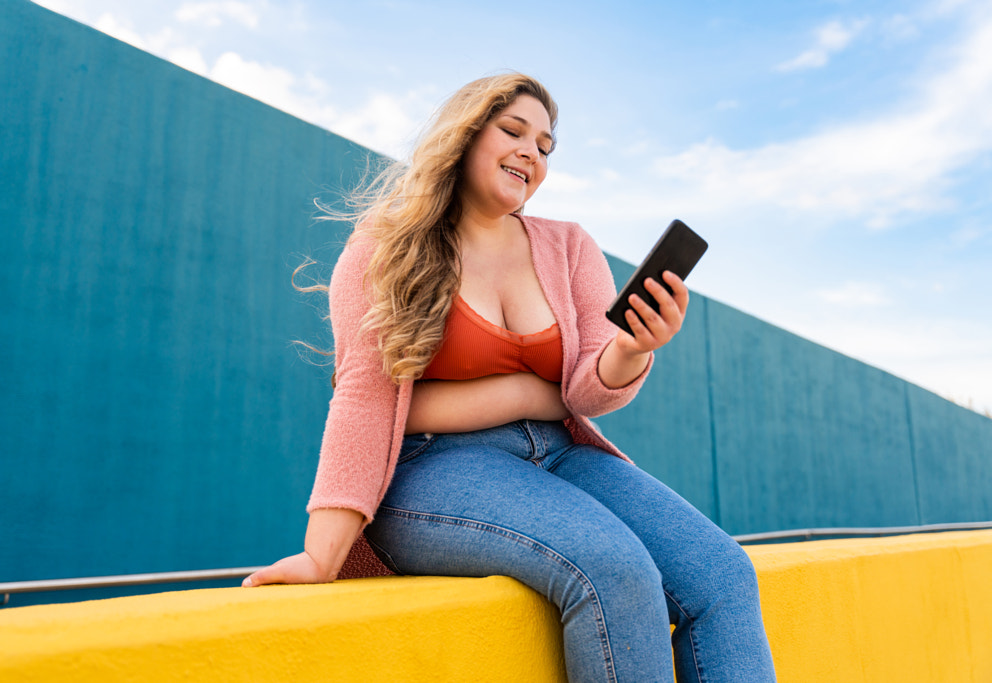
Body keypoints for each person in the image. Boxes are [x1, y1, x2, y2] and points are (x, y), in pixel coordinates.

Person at [243, 73, 776, 683]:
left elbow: (586, 391)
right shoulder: (386, 247)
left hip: (560, 457)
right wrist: (322, 553)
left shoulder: (570, 247)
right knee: (615, 568)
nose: (533, 152)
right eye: (514, 131)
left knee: (724, 575)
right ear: (466, 135)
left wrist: (633, 348)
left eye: (546, 147)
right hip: (431, 469)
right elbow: (367, 396)